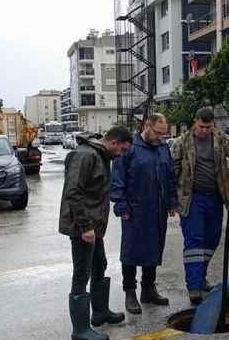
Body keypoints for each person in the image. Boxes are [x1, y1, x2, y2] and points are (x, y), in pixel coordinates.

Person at [59, 126, 133, 340]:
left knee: (99, 265)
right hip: (83, 227)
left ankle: (100, 313)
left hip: (94, 226)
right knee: (81, 274)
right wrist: (85, 226)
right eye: (122, 150)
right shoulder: (86, 156)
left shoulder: (100, 155)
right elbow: (72, 192)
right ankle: (80, 331)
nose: (122, 155)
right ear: (113, 143)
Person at [111, 113, 179, 314]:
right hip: (135, 209)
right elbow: (117, 178)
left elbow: (170, 176)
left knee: (154, 247)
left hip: (158, 208)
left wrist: (172, 201)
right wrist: (121, 206)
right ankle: (130, 292)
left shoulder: (163, 148)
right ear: (147, 126)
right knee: (131, 251)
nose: (161, 138)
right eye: (158, 133)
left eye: (163, 134)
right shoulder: (130, 148)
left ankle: (148, 288)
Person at [171, 107, 229, 304]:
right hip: (193, 199)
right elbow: (173, 171)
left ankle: (201, 276)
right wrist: (171, 200)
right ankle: (194, 286)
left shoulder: (221, 139)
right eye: (201, 127)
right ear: (194, 122)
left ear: (213, 123)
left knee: (212, 240)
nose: (205, 131)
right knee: (194, 242)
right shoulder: (182, 142)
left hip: (216, 198)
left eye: (208, 127)